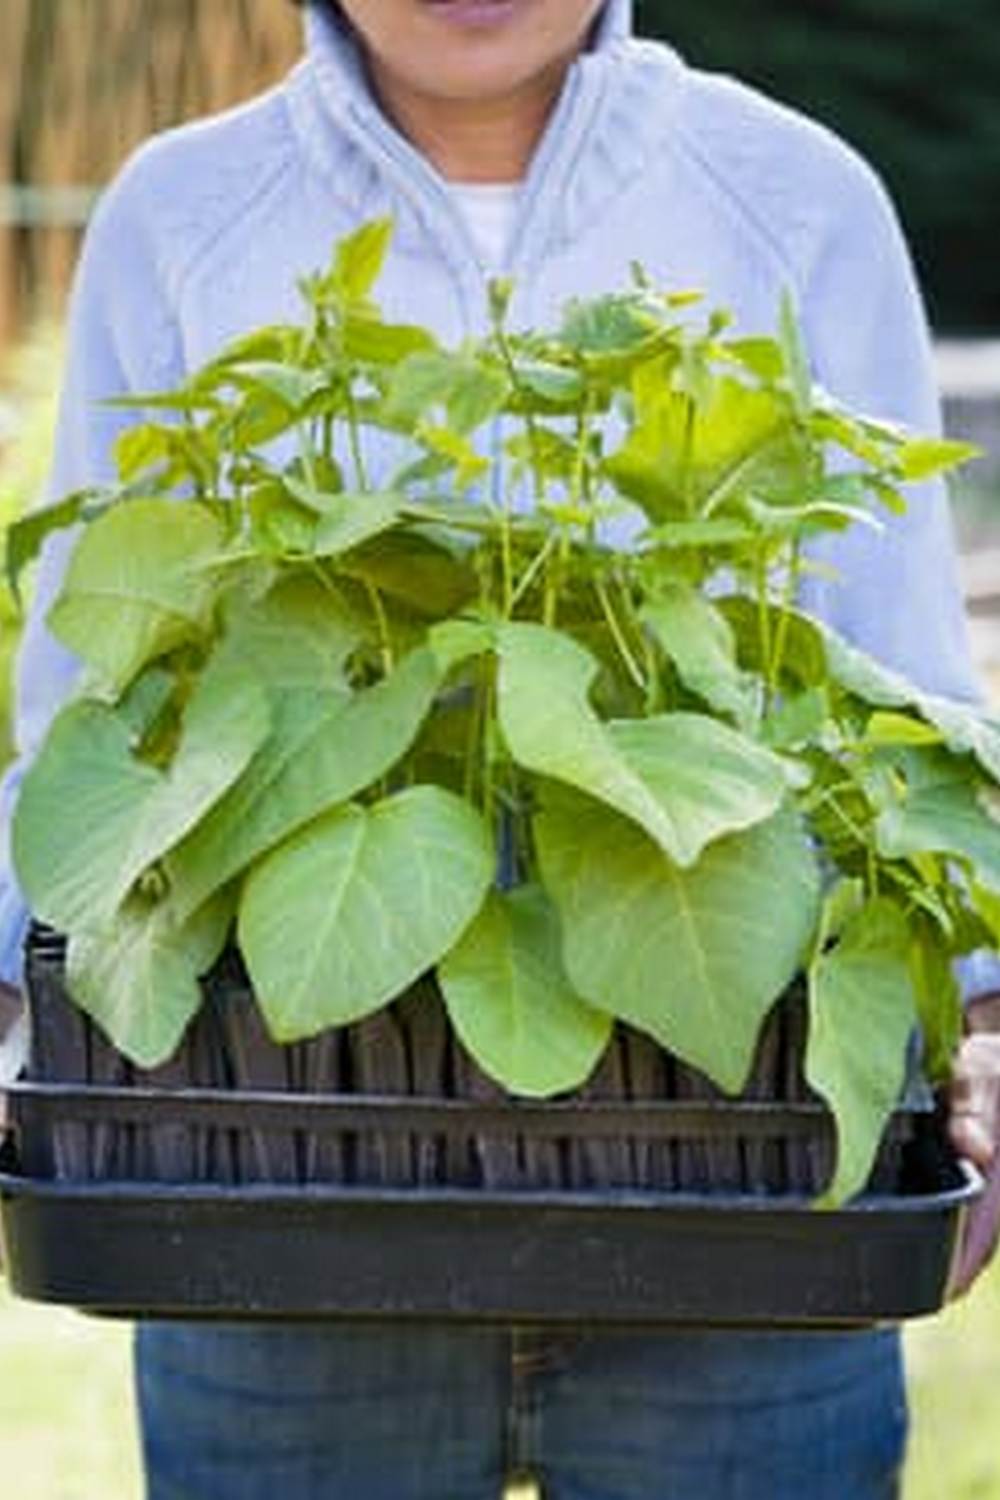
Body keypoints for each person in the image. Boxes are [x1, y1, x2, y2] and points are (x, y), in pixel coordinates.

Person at [2, 2, 1000, 1495]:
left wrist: (982, 1016)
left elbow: (907, 696)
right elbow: (86, 714)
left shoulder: (796, 194)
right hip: (278, 1204)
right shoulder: (183, 210)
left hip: (744, 1206)